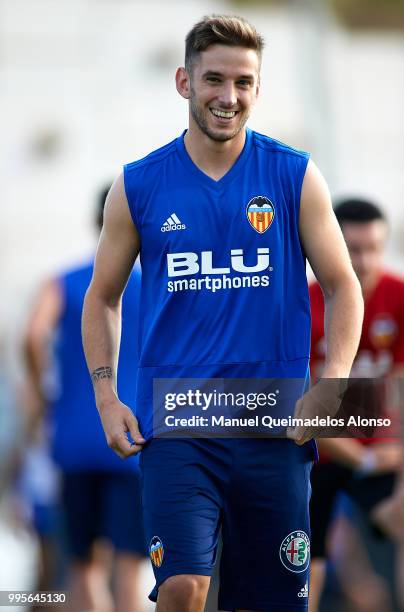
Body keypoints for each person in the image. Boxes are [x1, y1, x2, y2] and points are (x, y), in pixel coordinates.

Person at [82, 15, 363, 612]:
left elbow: (343, 285)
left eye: (243, 82)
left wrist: (333, 384)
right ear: (184, 81)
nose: (228, 97)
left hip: (274, 424)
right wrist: (107, 399)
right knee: (183, 587)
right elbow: (102, 298)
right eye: (214, 79)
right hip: (178, 424)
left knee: (272, 602)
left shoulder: (293, 174)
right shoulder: (138, 185)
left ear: (258, 88)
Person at [24, 187, 145, 612]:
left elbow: (33, 334)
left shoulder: (66, 281)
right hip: (135, 437)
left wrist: (43, 396)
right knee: (130, 567)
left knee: (83, 565)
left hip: (75, 435)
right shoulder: (155, 286)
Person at [308, 198, 404, 612]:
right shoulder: (302, 304)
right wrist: (362, 459)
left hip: (382, 446)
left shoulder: (398, 296)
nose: (364, 261)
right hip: (318, 452)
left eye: (373, 248)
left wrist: (393, 452)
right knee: (301, 555)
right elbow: (302, 407)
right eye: (352, 249)